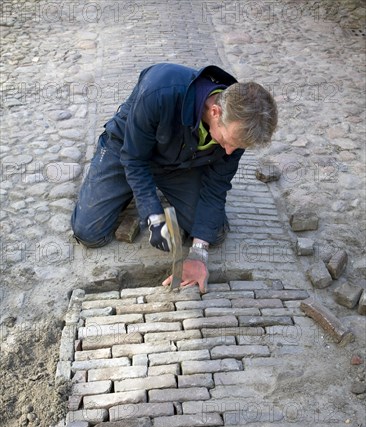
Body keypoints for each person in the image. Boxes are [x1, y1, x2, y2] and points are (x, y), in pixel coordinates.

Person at [71, 63, 277, 292]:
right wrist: (153, 214)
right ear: (215, 112)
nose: (229, 151)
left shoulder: (239, 128)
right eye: (228, 142)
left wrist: (199, 254)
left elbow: (216, 185)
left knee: (213, 233)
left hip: (179, 163)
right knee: (89, 233)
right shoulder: (160, 91)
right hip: (128, 149)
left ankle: (152, 187)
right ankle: (129, 189)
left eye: (236, 147)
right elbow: (134, 159)